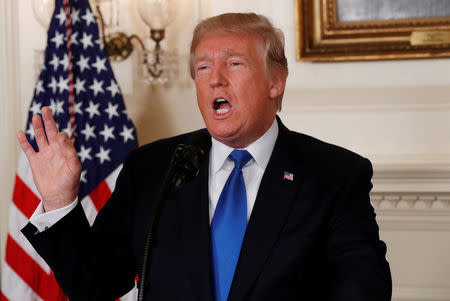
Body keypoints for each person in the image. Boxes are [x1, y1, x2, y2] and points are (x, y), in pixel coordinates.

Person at [20, 12, 392, 301]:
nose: (215, 78)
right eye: (202, 67)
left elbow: (363, 293)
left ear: (275, 82)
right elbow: (93, 285)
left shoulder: (334, 176)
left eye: (234, 63)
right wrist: (58, 200)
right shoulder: (151, 168)